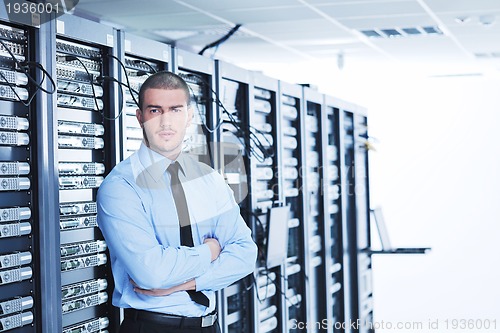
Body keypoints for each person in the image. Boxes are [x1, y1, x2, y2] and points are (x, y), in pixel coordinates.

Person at [97, 71, 258, 333]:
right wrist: (209, 252)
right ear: (140, 118)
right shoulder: (120, 187)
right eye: (154, 110)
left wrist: (182, 284)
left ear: (189, 117)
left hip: (209, 326)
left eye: (175, 110)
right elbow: (151, 273)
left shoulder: (209, 180)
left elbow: (245, 254)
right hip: (151, 327)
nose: (165, 121)